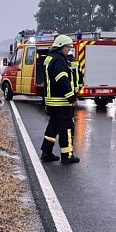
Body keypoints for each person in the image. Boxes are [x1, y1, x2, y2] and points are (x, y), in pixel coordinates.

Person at [40, 35, 80, 163]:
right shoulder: (59, 60)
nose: (69, 50)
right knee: (66, 128)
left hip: (52, 101)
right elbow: (62, 81)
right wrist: (72, 97)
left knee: (53, 126)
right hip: (61, 102)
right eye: (68, 47)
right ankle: (67, 156)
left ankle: (46, 152)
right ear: (61, 46)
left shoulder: (50, 58)